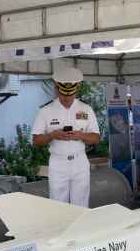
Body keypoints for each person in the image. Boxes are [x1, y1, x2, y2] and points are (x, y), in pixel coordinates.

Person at [31, 67, 100, 207]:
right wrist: (52, 135)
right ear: (57, 89)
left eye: (70, 95)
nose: (67, 99)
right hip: (58, 163)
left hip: (80, 162)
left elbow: (96, 138)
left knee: (81, 205)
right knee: (58, 206)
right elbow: (36, 140)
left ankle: (79, 229)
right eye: (64, 95)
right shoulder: (46, 111)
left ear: (76, 90)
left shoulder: (86, 109)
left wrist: (81, 135)